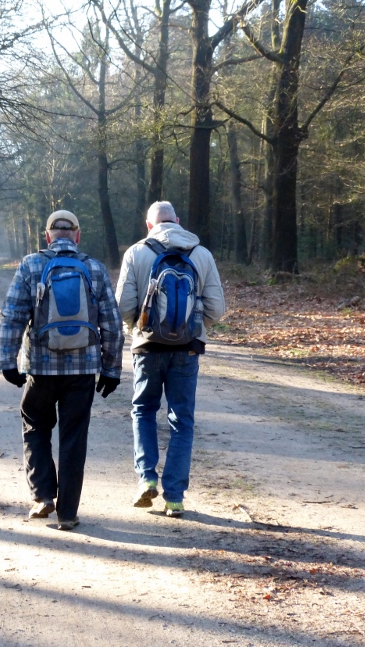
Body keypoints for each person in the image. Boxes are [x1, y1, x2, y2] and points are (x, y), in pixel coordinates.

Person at [0, 209, 124, 531]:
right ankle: (68, 513)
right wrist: (111, 369)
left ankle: (42, 496)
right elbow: (112, 324)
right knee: (73, 437)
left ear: (47, 237)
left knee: (35, 424)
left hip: (40, 367)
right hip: (83, 370)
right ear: (78, 236)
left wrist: (7, 362)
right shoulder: (94, 269)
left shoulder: (31, 265)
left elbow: (13, 316)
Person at [115, 201, 225, 517]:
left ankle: (147, 477)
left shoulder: (135, 253)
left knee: (144, 411)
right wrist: (196, 327)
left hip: (147, 348)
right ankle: (174, 497)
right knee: (182, 421)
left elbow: (123, 305)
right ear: (177, 221)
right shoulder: (201, 254)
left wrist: (138, 327)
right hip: (187, 350)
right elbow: (217, 309)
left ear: (149, 225)